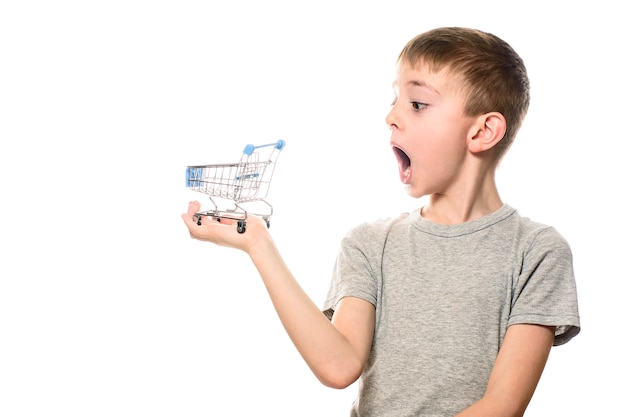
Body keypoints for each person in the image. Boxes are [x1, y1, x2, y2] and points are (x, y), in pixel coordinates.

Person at [181, 26, 580, 416]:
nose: (391, 116)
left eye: (417, 104)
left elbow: (503, 404)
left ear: (483, 131)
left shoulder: (537, 252)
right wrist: (258, 243)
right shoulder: (370, 243)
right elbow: (339, 366)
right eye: (395, 99)